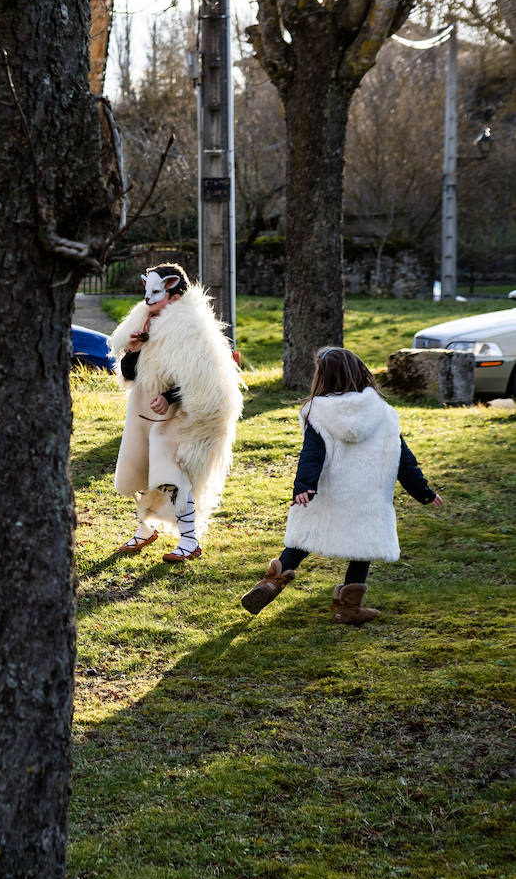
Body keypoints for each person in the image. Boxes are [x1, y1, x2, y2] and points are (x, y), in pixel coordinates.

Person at [241, 347, 444, 623]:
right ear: (361, 372)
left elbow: (312, 454)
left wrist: (303, 487)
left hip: (325, 491)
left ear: (323, 378)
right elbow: (403, 459)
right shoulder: (383, 413)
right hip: (366, 497)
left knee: (305, 536)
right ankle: (349, 608)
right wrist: (424, 492)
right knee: (362, 548)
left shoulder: (318, 412)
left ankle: (271, 583)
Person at [107, 264, 243, 562]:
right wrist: (132, 350)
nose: (149, 299)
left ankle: (191, 540)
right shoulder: (143, 321)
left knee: (171, 472)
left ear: (174, 291)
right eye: (147, 291)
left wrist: (169, 398)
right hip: (143, 410)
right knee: (141, 467)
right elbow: (130, 374)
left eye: (156, 292)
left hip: (177, 413)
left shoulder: (190, 327)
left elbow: (202, 378)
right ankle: (146, 529)